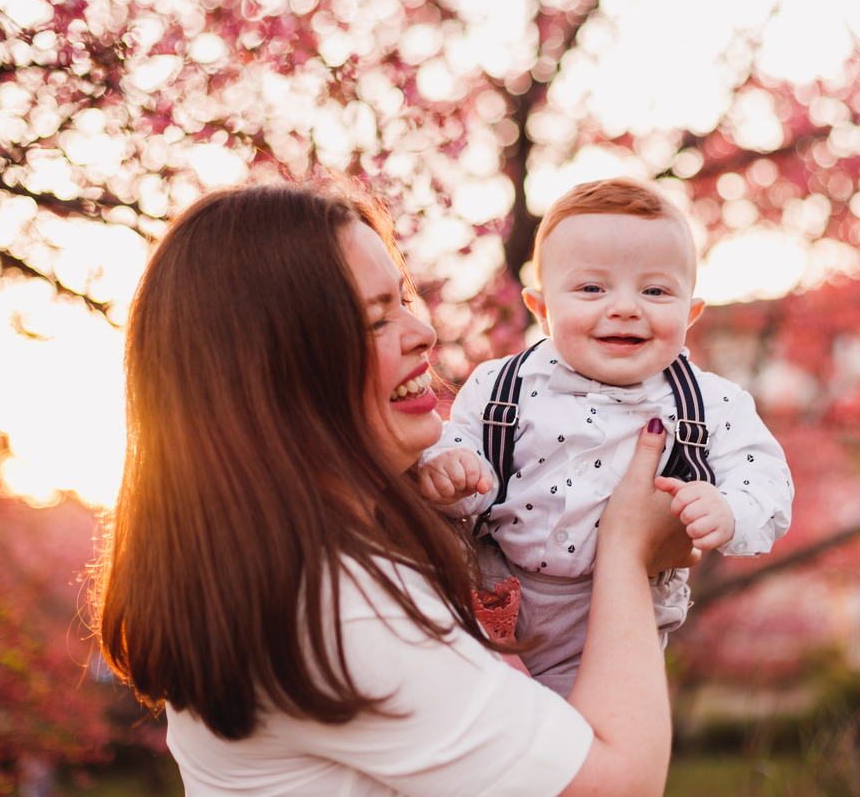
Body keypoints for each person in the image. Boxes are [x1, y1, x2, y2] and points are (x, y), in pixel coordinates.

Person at [93, 180, 698, 797]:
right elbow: (616, 785)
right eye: (376, 319)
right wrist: (626, 550)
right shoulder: (337, 603)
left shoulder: (308, 556)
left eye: (404, 299)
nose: (422, 333)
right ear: (280, 373)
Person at [419, 178, 794, 695]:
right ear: (541, 308)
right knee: (490, 726)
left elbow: (767, 480)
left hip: (616, 612)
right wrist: (450, 465)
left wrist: (729, 510)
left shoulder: (709, 403)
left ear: (690, 313)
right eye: (592, 288)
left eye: (655, 290)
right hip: (493, 592)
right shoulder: (501, 385)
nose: (624, 307)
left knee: (585, 737)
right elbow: (457, 443)